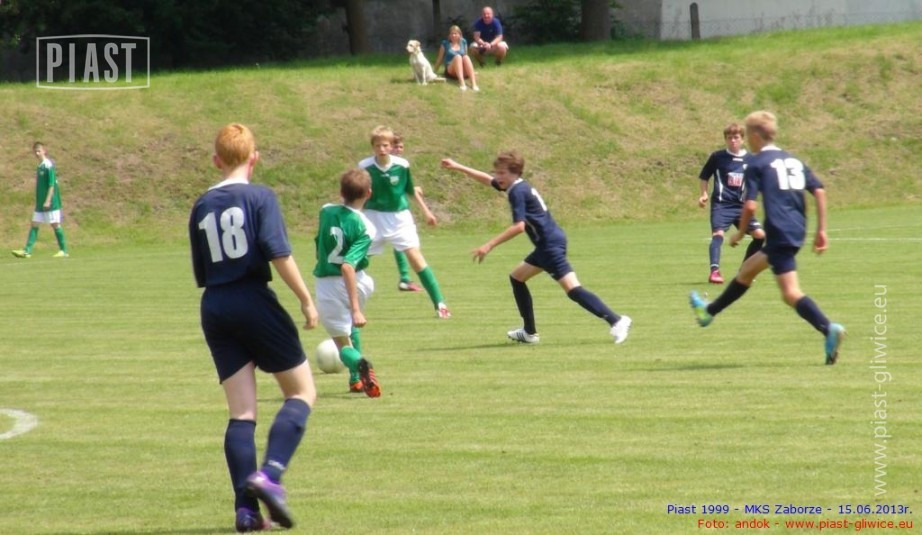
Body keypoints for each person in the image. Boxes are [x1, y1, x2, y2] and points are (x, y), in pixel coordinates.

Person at [189, 123, 319, 532]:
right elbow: (278, 253)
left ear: (216, 161)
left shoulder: (201, 205)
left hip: (215, 304)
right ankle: (271, 475)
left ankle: (246, 512)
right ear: (254, 158)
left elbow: (202, 269)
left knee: (242, 413)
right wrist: (306, 298)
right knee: (302, 392)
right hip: (253, 299)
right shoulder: (260, 196)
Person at [689, 111, 846, 364]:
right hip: (796, 231)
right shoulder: (792, 160)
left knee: (790, 293)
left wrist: (739, 234)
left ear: (753, 135)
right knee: (746, 273)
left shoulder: (757, 163)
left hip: (780, 233)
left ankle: (828, 328)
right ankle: (708, 313)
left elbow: (750, 205)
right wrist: (821, 231)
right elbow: (819, 190)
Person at [441, 152, 632, 344]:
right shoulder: (518, 186)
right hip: (548, 243)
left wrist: (488, 245)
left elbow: (519, 227)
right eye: (496, 172)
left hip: (549, 246)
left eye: (502, 173)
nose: (497, 177)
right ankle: (529, 332)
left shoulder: (517, 192)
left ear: (515, 173)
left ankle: (616, 321)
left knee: (573, 290)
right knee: (517, 278)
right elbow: (487, 180)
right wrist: (458, 166)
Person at [361, 126, 451, 318]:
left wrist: (427, 212)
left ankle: (440, 304)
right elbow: (358, 192)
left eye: (385, 145)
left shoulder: (402, 165)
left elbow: (410, 190)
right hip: (373, 218)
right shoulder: (364, 167)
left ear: (391, 146)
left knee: (416, 259)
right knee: (356, 260)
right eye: (377, 145)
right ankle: (346, 304)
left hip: (399, 218)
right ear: (372, 146)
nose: (382, 149)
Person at [313, 168, 381, 398]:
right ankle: (356, 381)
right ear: (368, 193)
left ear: (341, 192)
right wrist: (356, 308)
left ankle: (359, 364)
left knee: (342, 345)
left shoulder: (325, 211)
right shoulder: (367, 226)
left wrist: (355, 309)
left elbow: (346, 267)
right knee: (351, 327)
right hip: (360, 282)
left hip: (330, 284)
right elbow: (352, 264)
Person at [698, 123, 766, 283]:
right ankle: (715, 272)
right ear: (726, 139)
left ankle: (745, 271)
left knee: (760, 235)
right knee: (718, 235)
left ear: (742, 139)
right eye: (729, 138)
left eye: (736, 137)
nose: (733, 140)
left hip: (742, 207)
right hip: (721, 205)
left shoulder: (751, 159)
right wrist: (703, 194)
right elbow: (704, 176)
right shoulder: (718, 157)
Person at [12, 142, 69, 258]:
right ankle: (27, 251)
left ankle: (64, 251)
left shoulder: (48, 165)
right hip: (40, 203)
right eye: (35, 151)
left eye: (39, 151)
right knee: (34, 224)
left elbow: (51, 184)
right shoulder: (40, 166)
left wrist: (48, 200)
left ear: (44, 151)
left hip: (51, 202)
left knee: (55, 224)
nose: (37, 153)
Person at [390, 132, 422, 292]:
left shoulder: (400, 166)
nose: (399, 150)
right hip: (388, 213)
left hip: (398, 212)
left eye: (401, 147)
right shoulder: (387, 166)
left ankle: (405, 278)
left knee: (403, 244)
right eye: (396, 147)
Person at [433, 25, 479, 91]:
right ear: (449, 35)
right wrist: (433, 72)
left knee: (466, 57)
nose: (453, 35)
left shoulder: (463, 42)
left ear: (459, 35)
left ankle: (474, 84)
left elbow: (465, 56)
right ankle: (462, 83)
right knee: (458, 57)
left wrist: (472, 71)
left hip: (462, 69)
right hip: (451, 69)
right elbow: (439, 59)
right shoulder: (445, 43)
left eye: (455, 33)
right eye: (452, 34)